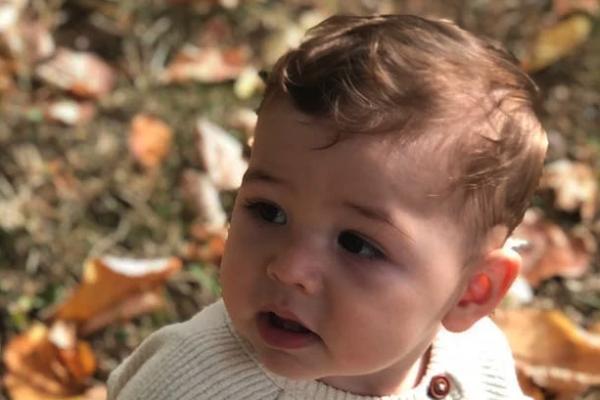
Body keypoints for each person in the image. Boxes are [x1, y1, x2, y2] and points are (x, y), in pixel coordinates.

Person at [107, 14, 547, 400]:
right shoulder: (188, 383)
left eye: (357, 244)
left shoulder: (480, 364)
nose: (289, 269)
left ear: (472, 291)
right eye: (269, 212)